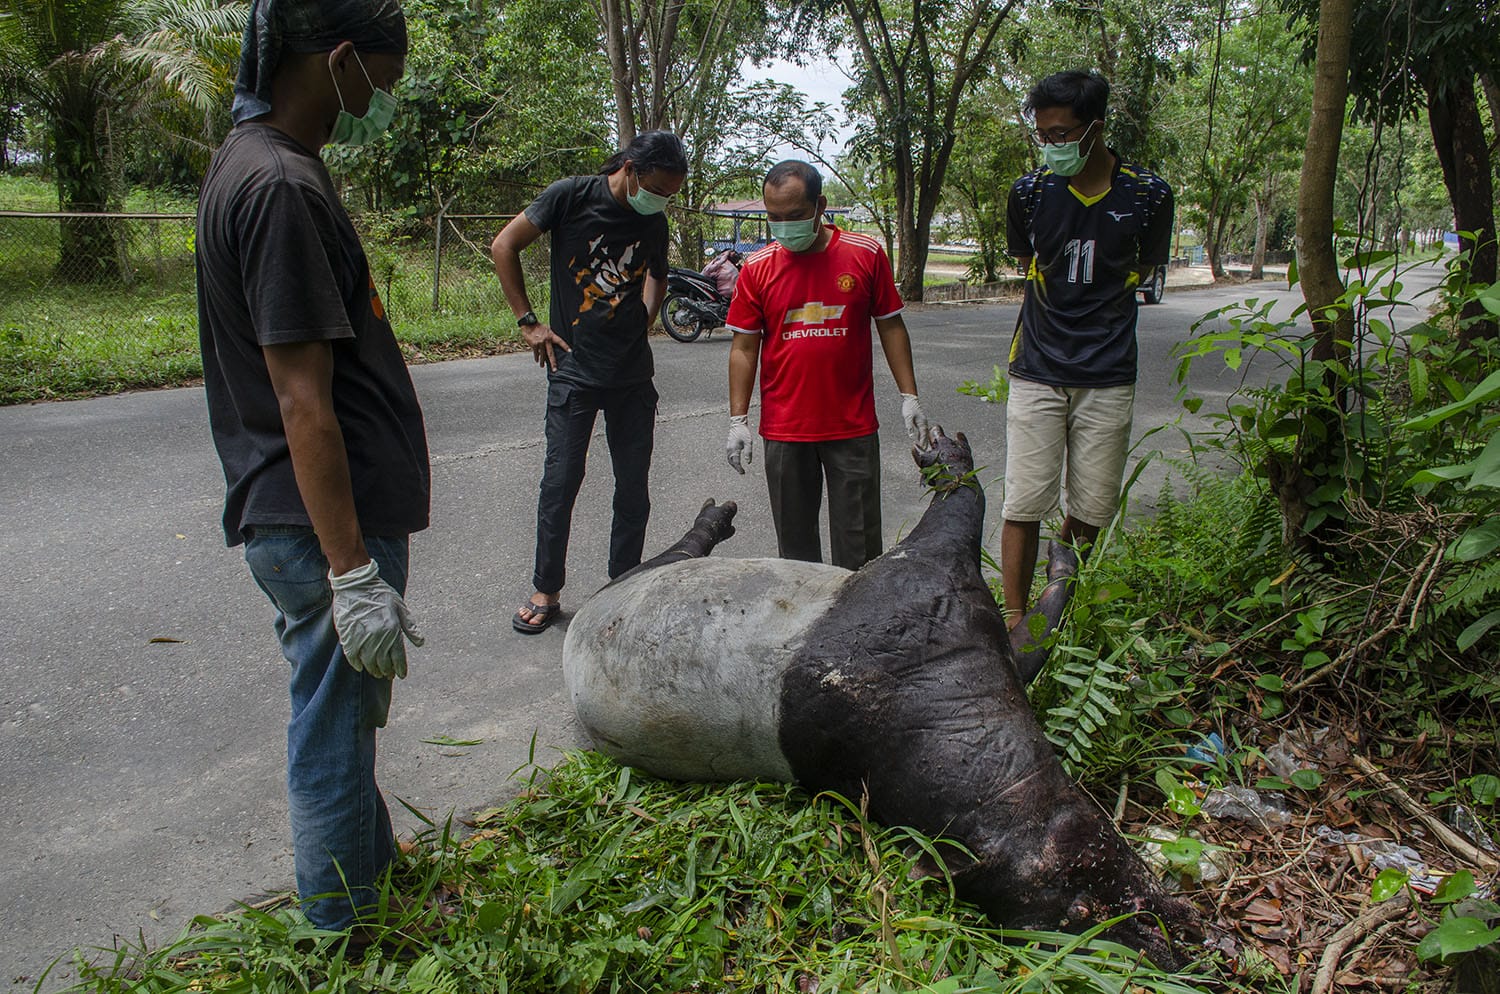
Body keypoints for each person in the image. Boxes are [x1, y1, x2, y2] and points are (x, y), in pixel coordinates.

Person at [195, 0, 429, 931]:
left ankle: (372, 872)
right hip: (319, 520)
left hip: (304, 513)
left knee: (342, 707)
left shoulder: (253, 162)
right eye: (379, 81)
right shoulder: (282, 187)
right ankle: (342, 929)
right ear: (338, 62)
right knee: (332, 719)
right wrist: (354, 572)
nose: (379, 103)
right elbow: (303, 398)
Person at [492, 131, 688, 634]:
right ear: (630, 167)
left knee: (632, 486)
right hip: (573, 372)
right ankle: (546, 588)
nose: (661, 201)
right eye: (658, 189)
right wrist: (528, 323)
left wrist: (644, 317)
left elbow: (658, 276)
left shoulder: (654, 220)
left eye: (670, 195)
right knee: (560, 483)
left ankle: (622, 585)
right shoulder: (571, 195)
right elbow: (504, 246)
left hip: (632, 376)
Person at [1000, 70, 1174, 628]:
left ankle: (1060, 610)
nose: (1051, 145)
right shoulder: (1028, 194)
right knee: (1023, 501)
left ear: (1095, 129)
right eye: (1042, 135)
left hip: (1108, 371)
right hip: (1037, 367)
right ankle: (1014, 618)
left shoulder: (1148, 195)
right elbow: (1026, 258)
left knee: (1091, 505)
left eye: (1062, 135)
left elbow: (1144, 266)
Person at [724, 160, 930, 571]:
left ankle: (859, 628)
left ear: (819, 206)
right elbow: (744, 347)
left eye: (795, 216)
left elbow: (890, 326)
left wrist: (910, 396)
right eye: (774, 218)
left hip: (850, 428)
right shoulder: (758, 267)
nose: (784, 226)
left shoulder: (864, 254)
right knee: (796, 558)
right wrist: (737, 420)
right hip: (785, 430)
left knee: (860, 552)